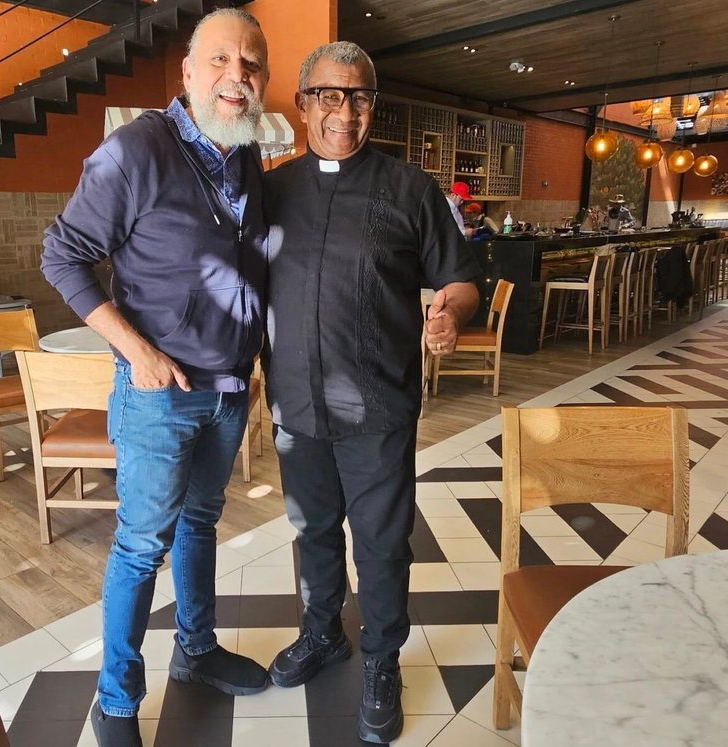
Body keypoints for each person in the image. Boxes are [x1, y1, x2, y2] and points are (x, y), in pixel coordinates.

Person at [39, 8, 271, 746]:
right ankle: (115, 702)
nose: (237, 75)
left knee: (200, 524)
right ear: (188, 72)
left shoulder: (246, 155)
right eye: (222, 60)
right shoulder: (136, 150)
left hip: (227, 391)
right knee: (143, 545)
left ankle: (197, 652)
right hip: (158, 395)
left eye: (252, 63)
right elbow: (61, 255)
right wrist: (134, 350)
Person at [261, 42, 482, 743]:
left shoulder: (410, 190)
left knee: (383, 545)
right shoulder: (271, 191)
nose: (346, 111)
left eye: (359, 97)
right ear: (303, 104)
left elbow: (461, 279)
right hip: (295, 402)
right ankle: (323, 632)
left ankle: (383, 660)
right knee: (312, 531)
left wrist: (451, 312)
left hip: (379, 404)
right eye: (330, 95)